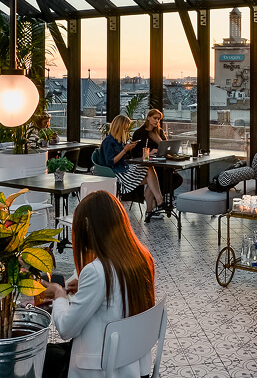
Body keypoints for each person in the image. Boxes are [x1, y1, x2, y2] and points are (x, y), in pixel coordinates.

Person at [39, 191, 157, 378]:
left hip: (103, 369)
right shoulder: (141, 258)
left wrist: (59, 295)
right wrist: (85, 288)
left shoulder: (97, 271)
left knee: (35, 359)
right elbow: (116, 296)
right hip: (132, 366)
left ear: (86, 225)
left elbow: (66, 329)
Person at [94, 115, 163, 213]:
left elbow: (126, 159)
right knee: (149, 170)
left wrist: (128, 149)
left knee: (150, 176)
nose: (127, 129)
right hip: (117, 174)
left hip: (124, 169)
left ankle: (150, 209)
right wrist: (124, 150)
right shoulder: (108, 141)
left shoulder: (120, 141)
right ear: (120, 126)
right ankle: (159, 201)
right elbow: (110, 162)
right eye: (126, 127)